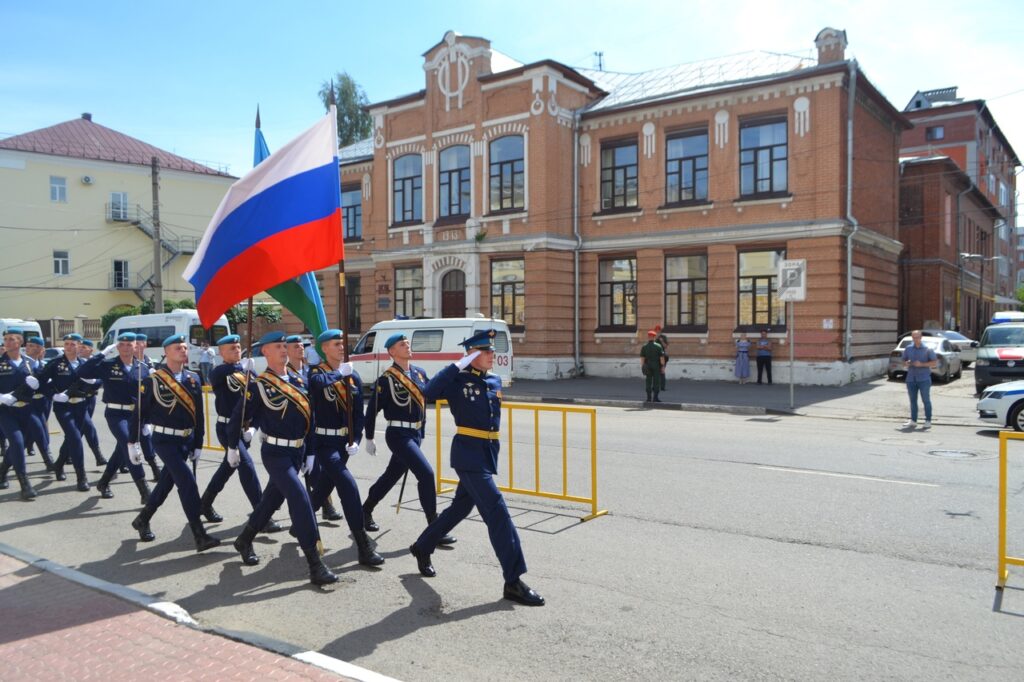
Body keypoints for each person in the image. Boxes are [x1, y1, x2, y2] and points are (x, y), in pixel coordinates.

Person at [409, 329, 544, 607]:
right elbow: (428, 392)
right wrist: (455, 365)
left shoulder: (493, 380)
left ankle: (422, 546)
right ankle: (513, 580)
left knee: (460, 508)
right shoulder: (457, 378)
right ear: (472, 355)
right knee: (497, 511)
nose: (492, 355)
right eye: (486, 351)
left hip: (486, 455)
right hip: (468, 457)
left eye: (492, 351)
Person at [228, 331, 337, 586]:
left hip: (298, 451)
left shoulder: (299, 379)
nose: (284, 350)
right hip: (275, 453)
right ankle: (314, 564)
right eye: (277, 346)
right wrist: (233, 447)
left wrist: (310, 451)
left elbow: (310, 419)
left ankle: (244, 539)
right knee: (300, 498)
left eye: (284, 346)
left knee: (269, 502)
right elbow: (238, 418)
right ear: (265, 352)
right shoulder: (258, 385)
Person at [128, 334, 219, 552]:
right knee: (187, 483)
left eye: (185, 347)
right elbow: (139, 414)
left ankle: (143, 518)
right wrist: (133, 442)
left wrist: (198, 443)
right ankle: (199, 535)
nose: (183, 350)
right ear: (166, 352)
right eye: (178, 347)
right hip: (165, 441)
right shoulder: (153, 380)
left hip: (186, 440)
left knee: (167, 483)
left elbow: (199, 415)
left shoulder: (193, 378)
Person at [362, 333, 455, 545]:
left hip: (415, 434)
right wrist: (369, 437)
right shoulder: (386, 380)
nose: (407, 346)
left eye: (407, 343)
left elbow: (433, 393)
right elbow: (372, 411)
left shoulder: (419, 373)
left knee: (391, 475)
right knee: (426, 473)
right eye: (402, 344)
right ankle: (435, 527)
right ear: (392, 352)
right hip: (398, 435)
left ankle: (365, 509)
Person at [306, 329, 383, 566]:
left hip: (343, 444)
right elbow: (317, 386)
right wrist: (340, 373)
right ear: (324, 349)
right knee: (348, 487)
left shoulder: (353, 376)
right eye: (336, 344)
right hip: (323, 443)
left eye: (343, 344)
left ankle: (302, 521)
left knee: (322, 489)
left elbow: (358, 414)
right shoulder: (316, 373)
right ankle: (363, 545)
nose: (342, 347)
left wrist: (356, 441)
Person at [197, 334, 280, 532]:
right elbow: (220, 377)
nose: (236, 350)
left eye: (238, 347)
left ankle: (205, 502)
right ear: (221, 352)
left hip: (244, 428)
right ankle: (262, 514)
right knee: (247, 466)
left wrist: (253, 428)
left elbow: (257, 400)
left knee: (228, 467)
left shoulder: (246, 371)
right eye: (231, 348)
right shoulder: (220, 372)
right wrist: (243, 368)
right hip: (227, 428)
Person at [78, 333, 152, 504]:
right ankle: (144, 490)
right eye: (122, 344)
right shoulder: (107, 365)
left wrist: (147, 421)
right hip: (116, 414)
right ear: (117, 347)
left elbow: (146, 396)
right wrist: (102, 353)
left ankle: (103, 483)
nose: (126, 347)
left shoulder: (142, 367)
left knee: (122, 450)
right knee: (130, 445)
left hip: (135, 415)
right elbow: (82, 371)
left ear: (135, 346)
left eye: (129, 344)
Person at [38, 333, 91, 491]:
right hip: (63, 406)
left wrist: (94, 382)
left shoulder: (85, 363)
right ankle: (81, 477)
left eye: (72, 344)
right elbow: (39, 382)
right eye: (66, 344)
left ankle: (59, 465)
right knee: (74, 438)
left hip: (81, 406)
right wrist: (53, 395)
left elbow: (98, 380)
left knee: (71, 439)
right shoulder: (55, 363)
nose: (68, 347)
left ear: (79, 346)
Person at [0, 328, 42, 500]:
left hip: (26, 409)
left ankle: (2, 471)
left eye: (11, 339)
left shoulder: (30, 363)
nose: (7, 342)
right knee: (16, 442)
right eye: (5, 339)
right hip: (5, 410)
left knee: (24, 442)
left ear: (20, 343)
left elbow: (42, 383)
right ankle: (24, 484)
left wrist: (38, 385)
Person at [77, 339, 108, 466]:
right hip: (77, 399)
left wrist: (94, 382)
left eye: (84, 347)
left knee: (82, 428)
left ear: (91, 350)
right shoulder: (77, 362)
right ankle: (98, 455)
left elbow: (102, 379)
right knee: (87, 426)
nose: (80, 349)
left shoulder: (96, 362)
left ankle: (66, 453)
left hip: (90, 398)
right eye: (80, 347)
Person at [901, 330, 937, 430]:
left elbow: (934, 363)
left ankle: (928, 421)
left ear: (921, 337)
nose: (915, 339)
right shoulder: (908, 349)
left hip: (924, 378)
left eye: (917, 337)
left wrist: (921, 364)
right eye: (913, 337)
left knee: (926, 400)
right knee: (912, 401)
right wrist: (906, 363)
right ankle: (913, 420)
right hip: (911, 378)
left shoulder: (928, 349)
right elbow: (903, 361)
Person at [640, 330, 665, 403]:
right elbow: (662, 358)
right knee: (656, 381)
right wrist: (663, 367)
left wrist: (643, 367)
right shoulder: (658, 346)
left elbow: (642, 358)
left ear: (648, 337)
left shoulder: (644, 346)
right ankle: (655, 398)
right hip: (656, 366)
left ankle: (648, 398)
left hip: (647, 365)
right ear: (654, 337)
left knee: (648, 381)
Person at [654, 325, 669, 392]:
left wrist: (662, 341)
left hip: (663, 356)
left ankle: (662, 387)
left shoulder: (663, 337)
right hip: (655, 357)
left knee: (662, 371)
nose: (657, 331)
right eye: (656, 330)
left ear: (660, 331)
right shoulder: (654, 337)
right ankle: (655, 386)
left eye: (658, 330)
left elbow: (665, 346)